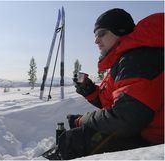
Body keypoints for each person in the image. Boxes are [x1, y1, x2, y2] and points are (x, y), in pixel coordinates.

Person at [56, 8, 164, 160]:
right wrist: (89, 91)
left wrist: (82, 120)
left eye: (102, 33)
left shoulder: (138, 58)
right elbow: (116, 102)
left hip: (155, 141)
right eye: (95, 35)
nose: (96, 40)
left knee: (75, 140)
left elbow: (125, 119)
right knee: (76, 137)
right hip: (143, 130)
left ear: (121, 31)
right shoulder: (125, 59)